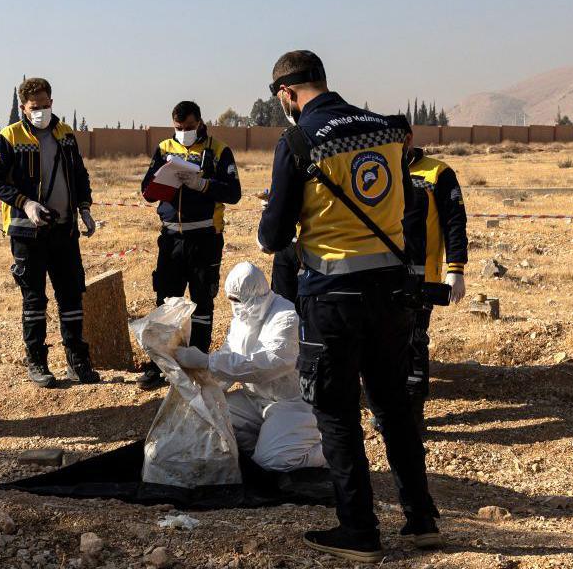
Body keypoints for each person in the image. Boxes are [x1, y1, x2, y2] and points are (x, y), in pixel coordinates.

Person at [257, 51, 440, 561]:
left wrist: (270, 220)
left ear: (286, 94)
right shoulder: (384, 129)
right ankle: (421, 519)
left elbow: (274, 236)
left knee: (336, 414)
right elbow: (411, 205)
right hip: (391, 294)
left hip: (333, 298)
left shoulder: (298, 140)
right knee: (394, 409)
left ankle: (359, 530)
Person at [0, 77, 100, 388]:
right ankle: (37, 361)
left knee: (72, 295)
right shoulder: (8, 137)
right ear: (23, 107)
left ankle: (78, 361)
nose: (42, 111)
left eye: (46, 105)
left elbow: (79, 174)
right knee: (34, 299)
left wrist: (85, 208)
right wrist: (26, 203)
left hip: (64, 229)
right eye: (35, 107)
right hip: (27, 233)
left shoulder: (65, 134)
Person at [174, 262, 325, 472]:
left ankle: (329, 450)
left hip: (292, 404)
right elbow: (229, 360)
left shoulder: (286, 317)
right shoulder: (242, 320)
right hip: (255, 401)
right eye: (231, 300)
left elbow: (265, 365)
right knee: (209, 415)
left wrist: (207, 362)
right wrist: (195, 377)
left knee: (272, 462)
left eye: (237, 300)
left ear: (254, 293)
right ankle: (269, 441)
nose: (234, 305)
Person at [138, 101, 242, 390]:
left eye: (189, 127)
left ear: (200, 123)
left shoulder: (218, 150)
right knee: (165, 304)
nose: (183, 132)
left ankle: (197, 363)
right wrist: (162, 184)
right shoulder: (164, 148)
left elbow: (234, 193)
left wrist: (203, 185)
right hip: (171, 238)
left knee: (202, 302)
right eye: (178, 128)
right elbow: (147, 190)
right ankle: (159, 365)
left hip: (205, 237)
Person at [404, 140, 468, 429]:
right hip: (379, 277)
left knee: (414, 342)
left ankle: (413, 416)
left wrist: (456, 269)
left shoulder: (438, 173)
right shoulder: (378, 169)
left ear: (407, 140)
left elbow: (455, 221)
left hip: (423, 278)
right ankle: (391, 413)